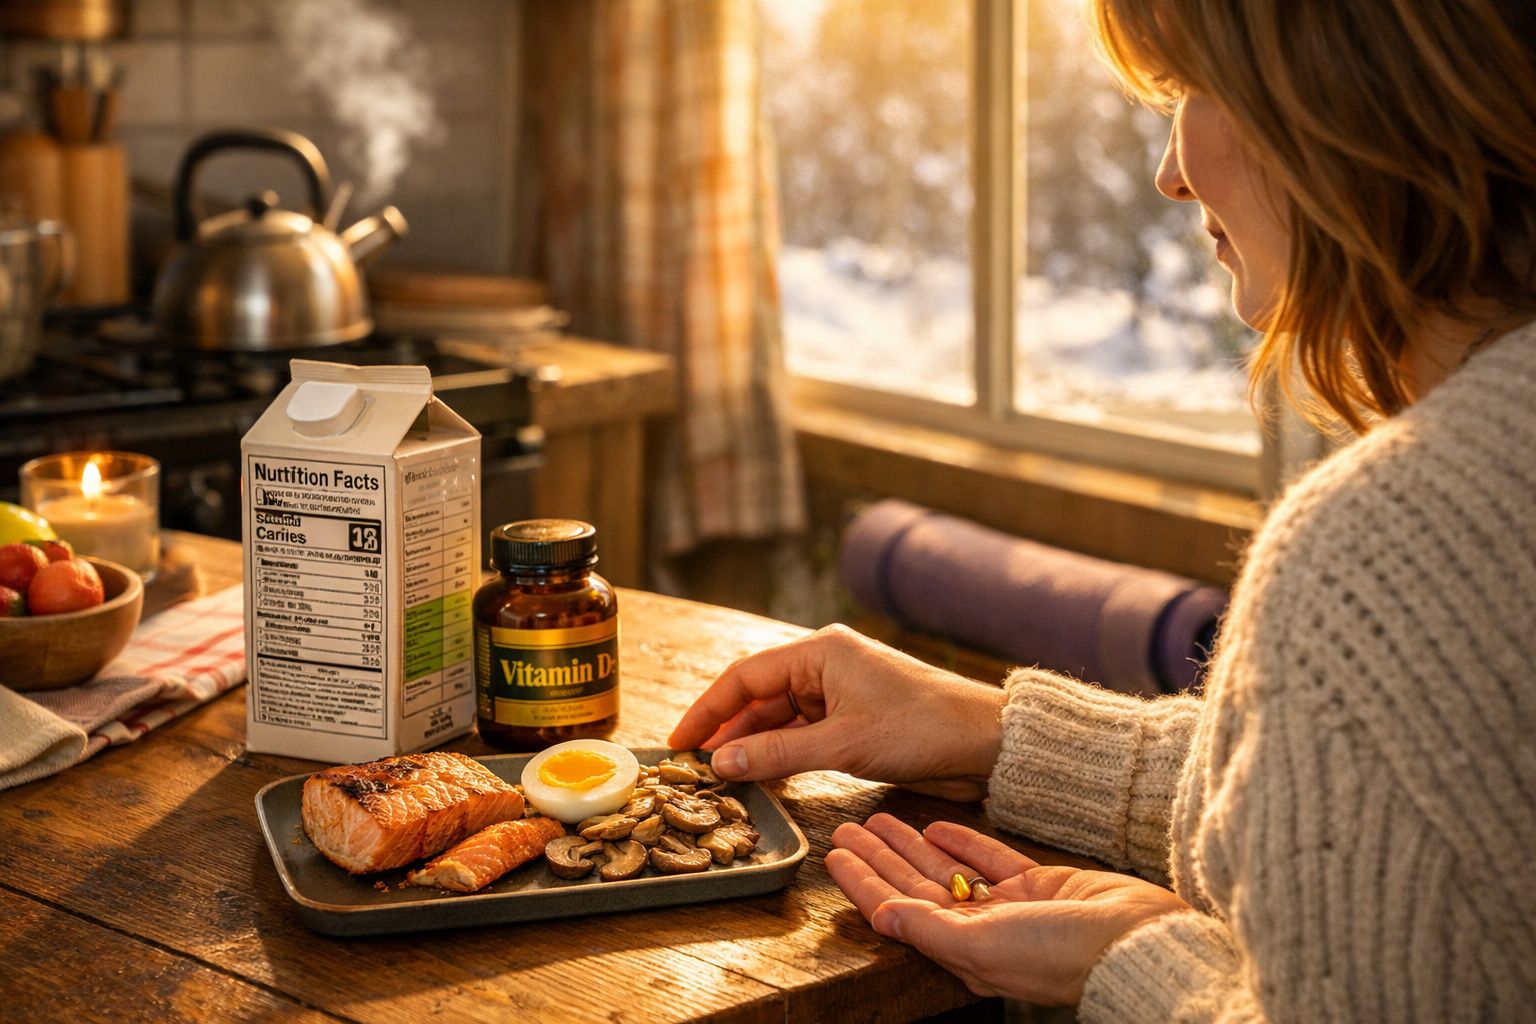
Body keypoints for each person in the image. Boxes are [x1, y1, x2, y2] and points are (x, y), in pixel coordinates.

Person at [669, 0, 1536, 1017]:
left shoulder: (1393, 542)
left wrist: (1130, 961)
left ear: (1343, 102)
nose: (1170, 173)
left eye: (1193, 91)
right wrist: (993, 733)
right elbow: (1386, 807)